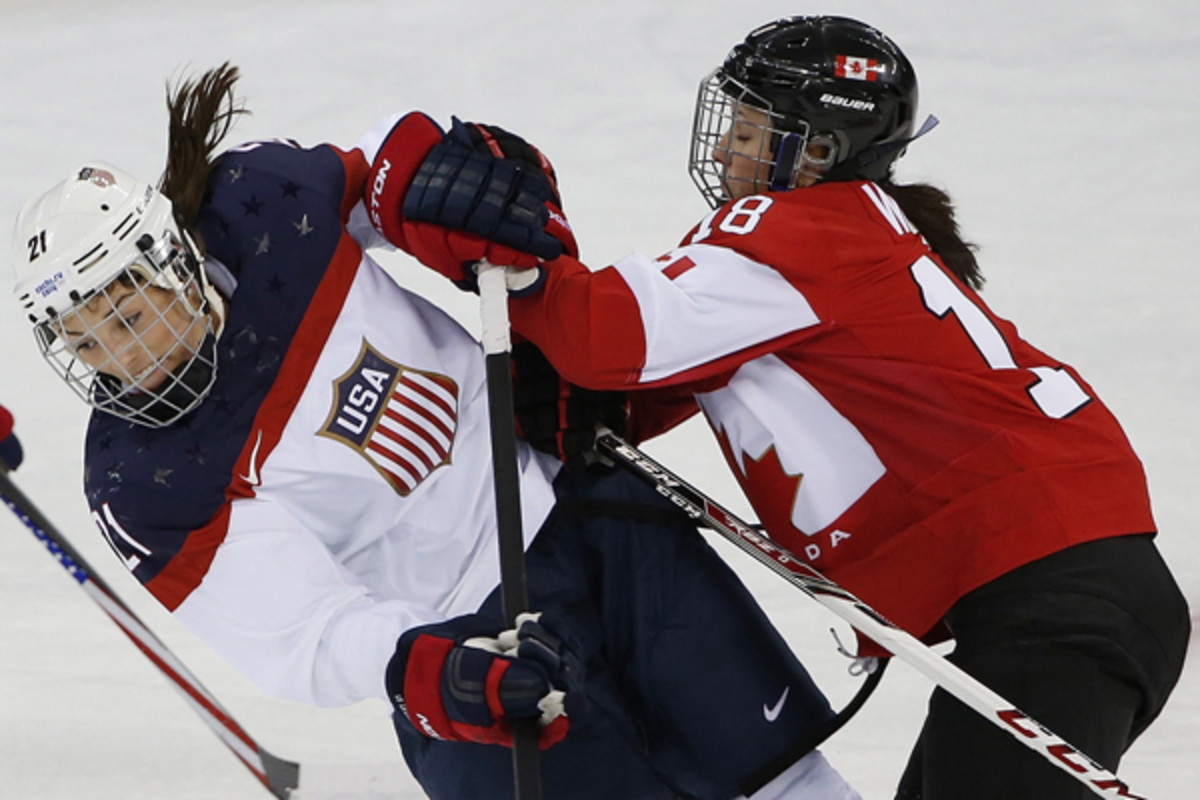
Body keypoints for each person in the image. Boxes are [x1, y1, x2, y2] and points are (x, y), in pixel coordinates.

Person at [8, 64, 865, 800]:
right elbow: (301, 631)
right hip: (471, 642)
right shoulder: (144, 482)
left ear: (176, 266)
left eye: (124, 320)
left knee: (779, 773)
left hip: (590, 517)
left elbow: (386, 171)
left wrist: (441, 185)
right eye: (83, 343)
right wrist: (421, 670)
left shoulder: (261, 213)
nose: (117, 362)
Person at [388, 15, 1191, 800]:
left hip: (1054, 604)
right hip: (1070, 594)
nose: (726, 149)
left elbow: (610, 336)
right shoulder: (836, 249)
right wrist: (578, 399)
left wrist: (522, 251)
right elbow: (626, 386)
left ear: (817, 150)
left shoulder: (798, 231)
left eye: (748, 130)